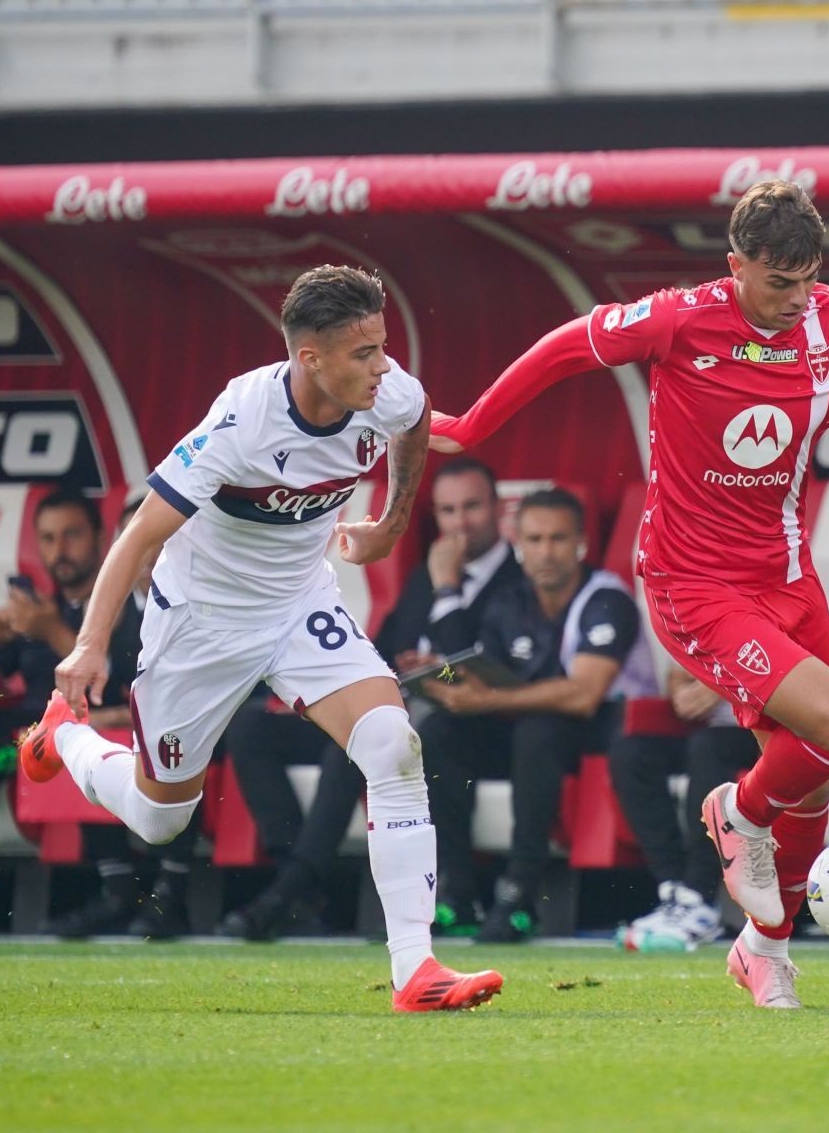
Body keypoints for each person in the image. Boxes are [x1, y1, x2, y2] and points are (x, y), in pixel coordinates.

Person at [429, 180, 829, 1009]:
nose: (795, 298)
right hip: (695, 584)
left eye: (806, 279)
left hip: (790, 581)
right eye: (776, 281)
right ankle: (737, 809)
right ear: (736, 266)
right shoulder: (679, 318)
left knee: (815, 784)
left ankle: (765, 951)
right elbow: (563, 348)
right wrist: (473, 425)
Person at [25, 264, 501, 1012]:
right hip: (203, 624)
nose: (383, 368)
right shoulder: (240, 424)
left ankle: (417, 969)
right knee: (160, 816)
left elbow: (415, 420)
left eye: (382, 347)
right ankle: (68, 740)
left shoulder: (387, 391)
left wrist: (392, 522)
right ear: (308, 359)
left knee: (392, 744)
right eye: (363, 354)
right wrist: (88, 648)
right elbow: (137, 535)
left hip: (298, 605)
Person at [217, 456, 523, 939]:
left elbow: (470, 668)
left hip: (472, 731)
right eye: (447, 511)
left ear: (498, 509)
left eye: (472, 507)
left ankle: (292, 888)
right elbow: (380, 650)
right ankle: (299, 877)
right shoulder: (426, 574)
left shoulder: (516, 579)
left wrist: (444, 603)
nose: (459, 523)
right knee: (252, 727)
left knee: (365, 740)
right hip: (404, 712)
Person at [415, 486, 647, 943]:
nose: (546, 552)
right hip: (531, 732)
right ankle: (455, 891)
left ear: (580, 543)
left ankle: (520, 893)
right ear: (518, 545)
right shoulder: (510, 602)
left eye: (558, 539)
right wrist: (433, 676)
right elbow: (482, 679)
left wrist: (486, 701)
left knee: (537, 731)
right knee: (440, 730)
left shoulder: (607, 597)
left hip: (609, 735)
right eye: (535, 540)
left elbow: (583, 695)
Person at [0, 490, 174, 936]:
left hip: (64, 741)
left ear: (103, 538)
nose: (59, 550)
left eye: (71, 535)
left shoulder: (122, 611)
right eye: (47, 539)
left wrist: (52, 632)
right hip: (10, 734)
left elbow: (106, 679)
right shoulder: (36, 611)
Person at [610, 665, 758, 951]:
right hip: (701, 729)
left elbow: (790, 672)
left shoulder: (773, 618)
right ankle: (673, 888)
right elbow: (677, 671)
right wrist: (682, 693)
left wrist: (723, 685)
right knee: (631, 753)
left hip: (758, 730)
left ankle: (699, 895)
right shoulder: (701, 620)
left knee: (707, 748)